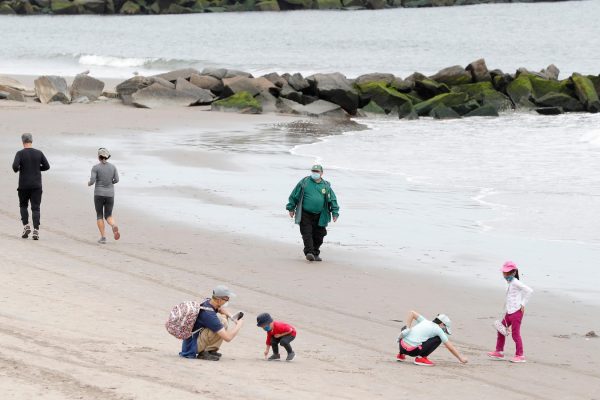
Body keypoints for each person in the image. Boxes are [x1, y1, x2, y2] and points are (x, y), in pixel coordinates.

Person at [286, 164, 339, 262]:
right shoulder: (305, 182)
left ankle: (315, 253)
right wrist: (291, 208)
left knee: (320, 235)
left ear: (321, 173)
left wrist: (335, 213)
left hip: (320, 215)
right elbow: (294, 195)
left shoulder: (326, 185)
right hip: (305, 213)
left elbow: (332, 199)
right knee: (307, 233)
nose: (315, 173)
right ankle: (309, 253)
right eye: (313, 171)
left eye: (317, 172)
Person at [179, 285, 244, 361]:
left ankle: (210, 350)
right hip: (192, 347)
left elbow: (221, 309)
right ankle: (203, 352)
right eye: (226, 299)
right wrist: (239, 324)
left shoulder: (208, 302)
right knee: (222, 322)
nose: (228, 301)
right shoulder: (209, 315)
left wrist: (232, 317)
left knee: (224, 318)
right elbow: (228, 338)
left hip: (191, 341)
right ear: (219, 300)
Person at [487, 261, 533, 363]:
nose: (504, 275)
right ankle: (499, 352)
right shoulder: (510, 282)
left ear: (513, 273)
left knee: (515, 334)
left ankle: (520, 355)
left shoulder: (516, 282)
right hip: (509, 312)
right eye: (503, 272)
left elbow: (529, 290)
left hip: (516, 312)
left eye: (506, 273)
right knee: (501, 330)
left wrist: (523, 304)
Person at [12, 133, 50, 240]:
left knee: (23, 206)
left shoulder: (20, 153)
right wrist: (37, 169)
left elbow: (15, 167)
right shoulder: (39, 153)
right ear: (31, 141)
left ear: (23, 141)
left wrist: (20, 169)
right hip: (36, 185)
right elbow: (47, 166)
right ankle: (36, 231)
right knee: (35, 208)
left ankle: (26, 226)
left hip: (23, 185)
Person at [396, 311, 468, 366]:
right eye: (445, 329)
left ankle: (401, 355)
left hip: (402, 346)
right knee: (438, 338)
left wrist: (408, 328)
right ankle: (421, 358)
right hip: (413, 351)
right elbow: (450, 347)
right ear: (442, 324)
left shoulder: (425, 321)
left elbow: (412, 313)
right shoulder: (438, 330)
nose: (444, 331)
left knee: (405, 328)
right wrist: (460, 358)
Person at [88, 148, 120, 244]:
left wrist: (89, 183)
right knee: (108, 215)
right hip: (110, 194)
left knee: (99, 215)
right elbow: (117, 180)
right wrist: (111, 182)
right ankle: (113, 225)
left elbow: (93, 180)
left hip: (99, 193)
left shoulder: (95, 167)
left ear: (99, 157)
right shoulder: (113, 167)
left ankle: (103, 237)